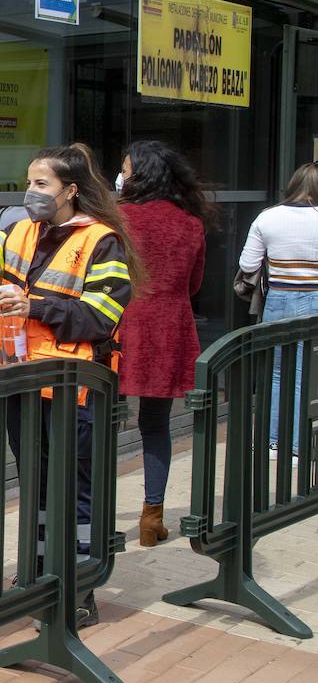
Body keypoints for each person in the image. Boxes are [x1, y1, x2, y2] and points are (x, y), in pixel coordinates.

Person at [0, 146, 135, 628]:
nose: (31, 193)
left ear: (71, 190)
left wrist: (34, 308)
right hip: (21, 384)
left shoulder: (101, 241)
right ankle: (35, 572)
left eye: (42, 184)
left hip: (74, 389)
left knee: (78, 490)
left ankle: (80, 586)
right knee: (36, 483)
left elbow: (101, 315)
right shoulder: (18, 232)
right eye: (29, 183)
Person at [115, 141, 211, 545]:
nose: (118, 176)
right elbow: (194, 284)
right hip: (170, 328)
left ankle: (96, 514)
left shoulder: (116, 219)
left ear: (141, 174)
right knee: (155, 425)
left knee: (101, 423)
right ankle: (152, 518)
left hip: (119, 325)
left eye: (124, 169)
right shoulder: (190, 223)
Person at [239, 162, 318, 460]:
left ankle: (271, 442)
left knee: (275, 374)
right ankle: (298, 447)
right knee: (305, 376)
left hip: (278, 300)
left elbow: (248, 266)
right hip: (315, 301)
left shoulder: (267, 218)